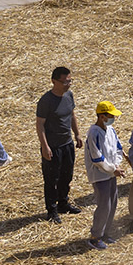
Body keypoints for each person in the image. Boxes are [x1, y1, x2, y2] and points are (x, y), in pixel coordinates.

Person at [36, 66, 82, 224]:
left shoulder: (69, 95)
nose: (68, 85)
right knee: (51, 179)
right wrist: (45, 146)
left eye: (70, 81)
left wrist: (77, 134)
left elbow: (72, 115)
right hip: (53, 146)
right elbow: (40, 125)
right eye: (65, 82)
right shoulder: (46, 101)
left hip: (67, 144)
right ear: (54, 81)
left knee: (66, 176)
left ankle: (63, 203)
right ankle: (52, 210)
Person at [84, 100, 128, 250]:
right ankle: (95, 237)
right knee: (104, 205)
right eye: (110, 116)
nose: (112, 118)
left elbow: (118, 148)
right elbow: (97, 158)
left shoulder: (111, 130)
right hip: (100, 175)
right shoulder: (93, 133)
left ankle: (105, 232)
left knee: (113, 203)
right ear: (102, 116)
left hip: (111, 173)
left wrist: (116, 165)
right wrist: (111, 169)